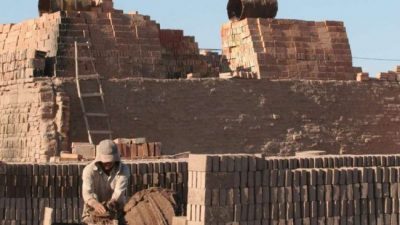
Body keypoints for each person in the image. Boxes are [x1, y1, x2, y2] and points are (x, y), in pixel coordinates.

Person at [82, 139, 130, 225]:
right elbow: (87, 193)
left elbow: (119, 192)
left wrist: (111, 204)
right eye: (105, 160)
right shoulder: (89, 170)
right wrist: (94, 203)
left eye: (110, 160)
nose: (108, 163)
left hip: (116, 209)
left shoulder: (124, 169)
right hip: (93, 210)